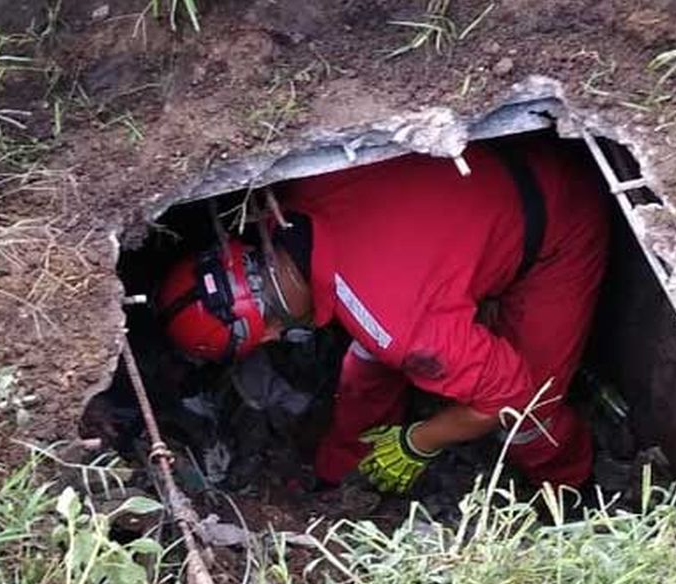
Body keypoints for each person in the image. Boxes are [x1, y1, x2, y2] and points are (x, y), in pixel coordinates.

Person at [154, 135, 609, 495]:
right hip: (480, 194)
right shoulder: (296, 192)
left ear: (266, 330)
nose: (274, 340)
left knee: (534, 415)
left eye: (265, 337)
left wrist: (422, 440)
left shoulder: (402, 330)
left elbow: (510, 396)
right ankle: (339, 469)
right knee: (365, 366)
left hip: (556, 223)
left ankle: (570, 490)